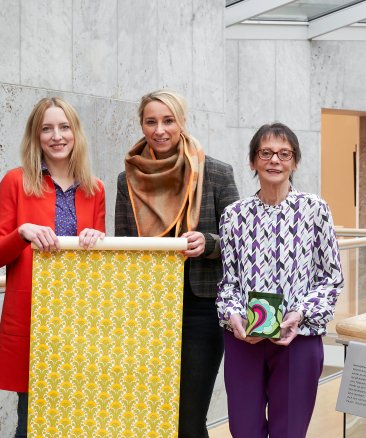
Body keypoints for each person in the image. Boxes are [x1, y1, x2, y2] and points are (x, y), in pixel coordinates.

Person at [114, 89, 239, 437]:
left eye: (168, 120)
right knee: (152, 415)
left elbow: (242, 240)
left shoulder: (215, 172)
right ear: (141, 124)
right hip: (148, 310)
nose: (160, 129)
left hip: (201, 307)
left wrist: (210, 242)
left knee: (189, 418)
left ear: (182, 122)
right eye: (151, 121)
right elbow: (121, 244)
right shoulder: (128, 179)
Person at [0, 97, 106, 437]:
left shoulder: (94, 189)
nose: (57, 136)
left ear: (76, 133)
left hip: (81, 319)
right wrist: (21, 233)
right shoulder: (16, 181)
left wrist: (98, 238)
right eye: (47, 128)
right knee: (32, 421)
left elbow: (100, 261)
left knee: (79, 419)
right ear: (35, 136)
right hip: (33, 317)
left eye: (64, 127)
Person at [216, 122, 343, 438]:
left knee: (290, 431)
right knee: (244, 430)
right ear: (253, 161)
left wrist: (300, 315)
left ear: (295, 162)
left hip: (298, 337)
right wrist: (233, 316)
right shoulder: (234, 214)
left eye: (284, 154)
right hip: (244, 337)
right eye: (266, 153)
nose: (275, 160)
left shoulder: (315, 210)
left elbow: (331, 278)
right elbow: (227, 281)